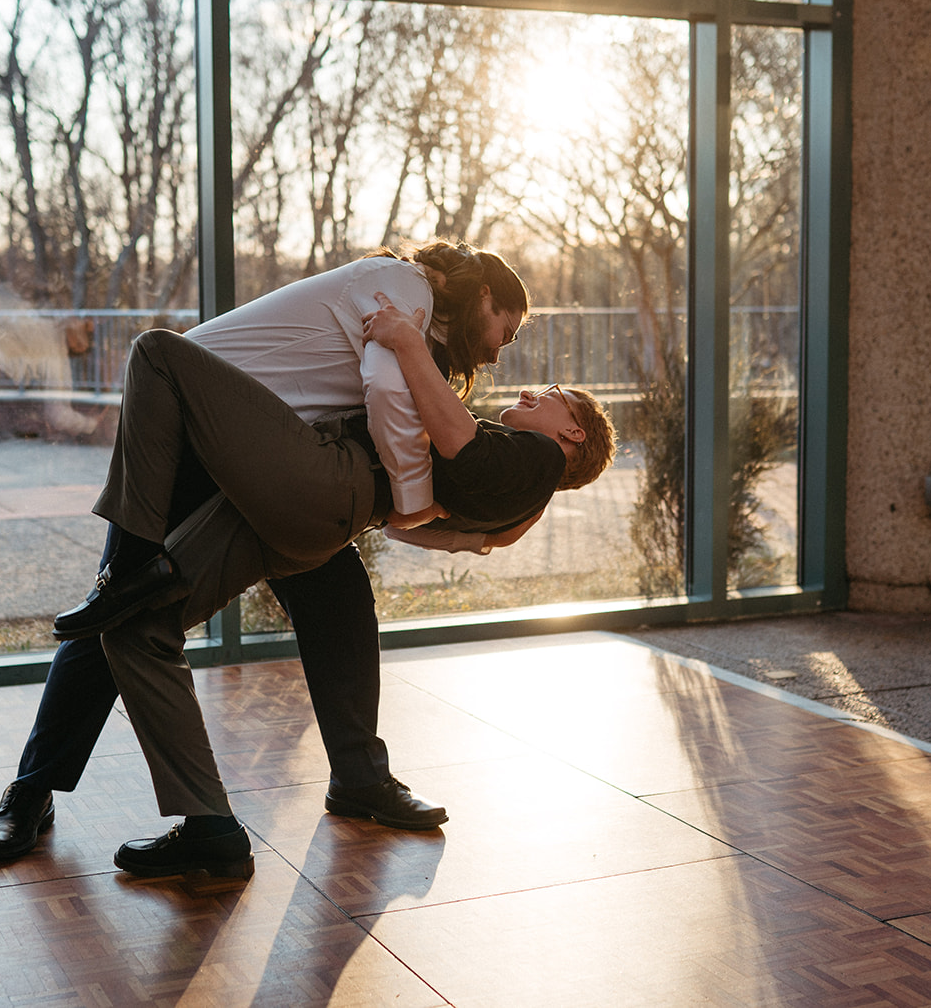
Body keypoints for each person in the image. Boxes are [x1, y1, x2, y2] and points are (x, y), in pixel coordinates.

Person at [0, 242, 530, 862]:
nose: (498, 350)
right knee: (118, 611)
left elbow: (384, 461)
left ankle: (360, 779)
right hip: (185, 439)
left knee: (341, 604)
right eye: (505, 330)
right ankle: (29, 792)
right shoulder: (401, 286)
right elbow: (382, 391)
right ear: (486, 294)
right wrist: (410, 494)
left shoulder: (418, 329)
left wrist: (474, 536)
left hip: (265, 462)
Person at [71, 310, 615, 879]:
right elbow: (412, 521)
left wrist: (406, 337)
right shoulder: (518, 475)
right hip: (321, 512)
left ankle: (131, 557)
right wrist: (473, 538)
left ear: (572, 433)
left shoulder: (540, 458)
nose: (531, 388)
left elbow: (460, 441)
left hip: (327, 483)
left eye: (552, 393)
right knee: (133, 628)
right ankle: (215, 827)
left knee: (158, 350)